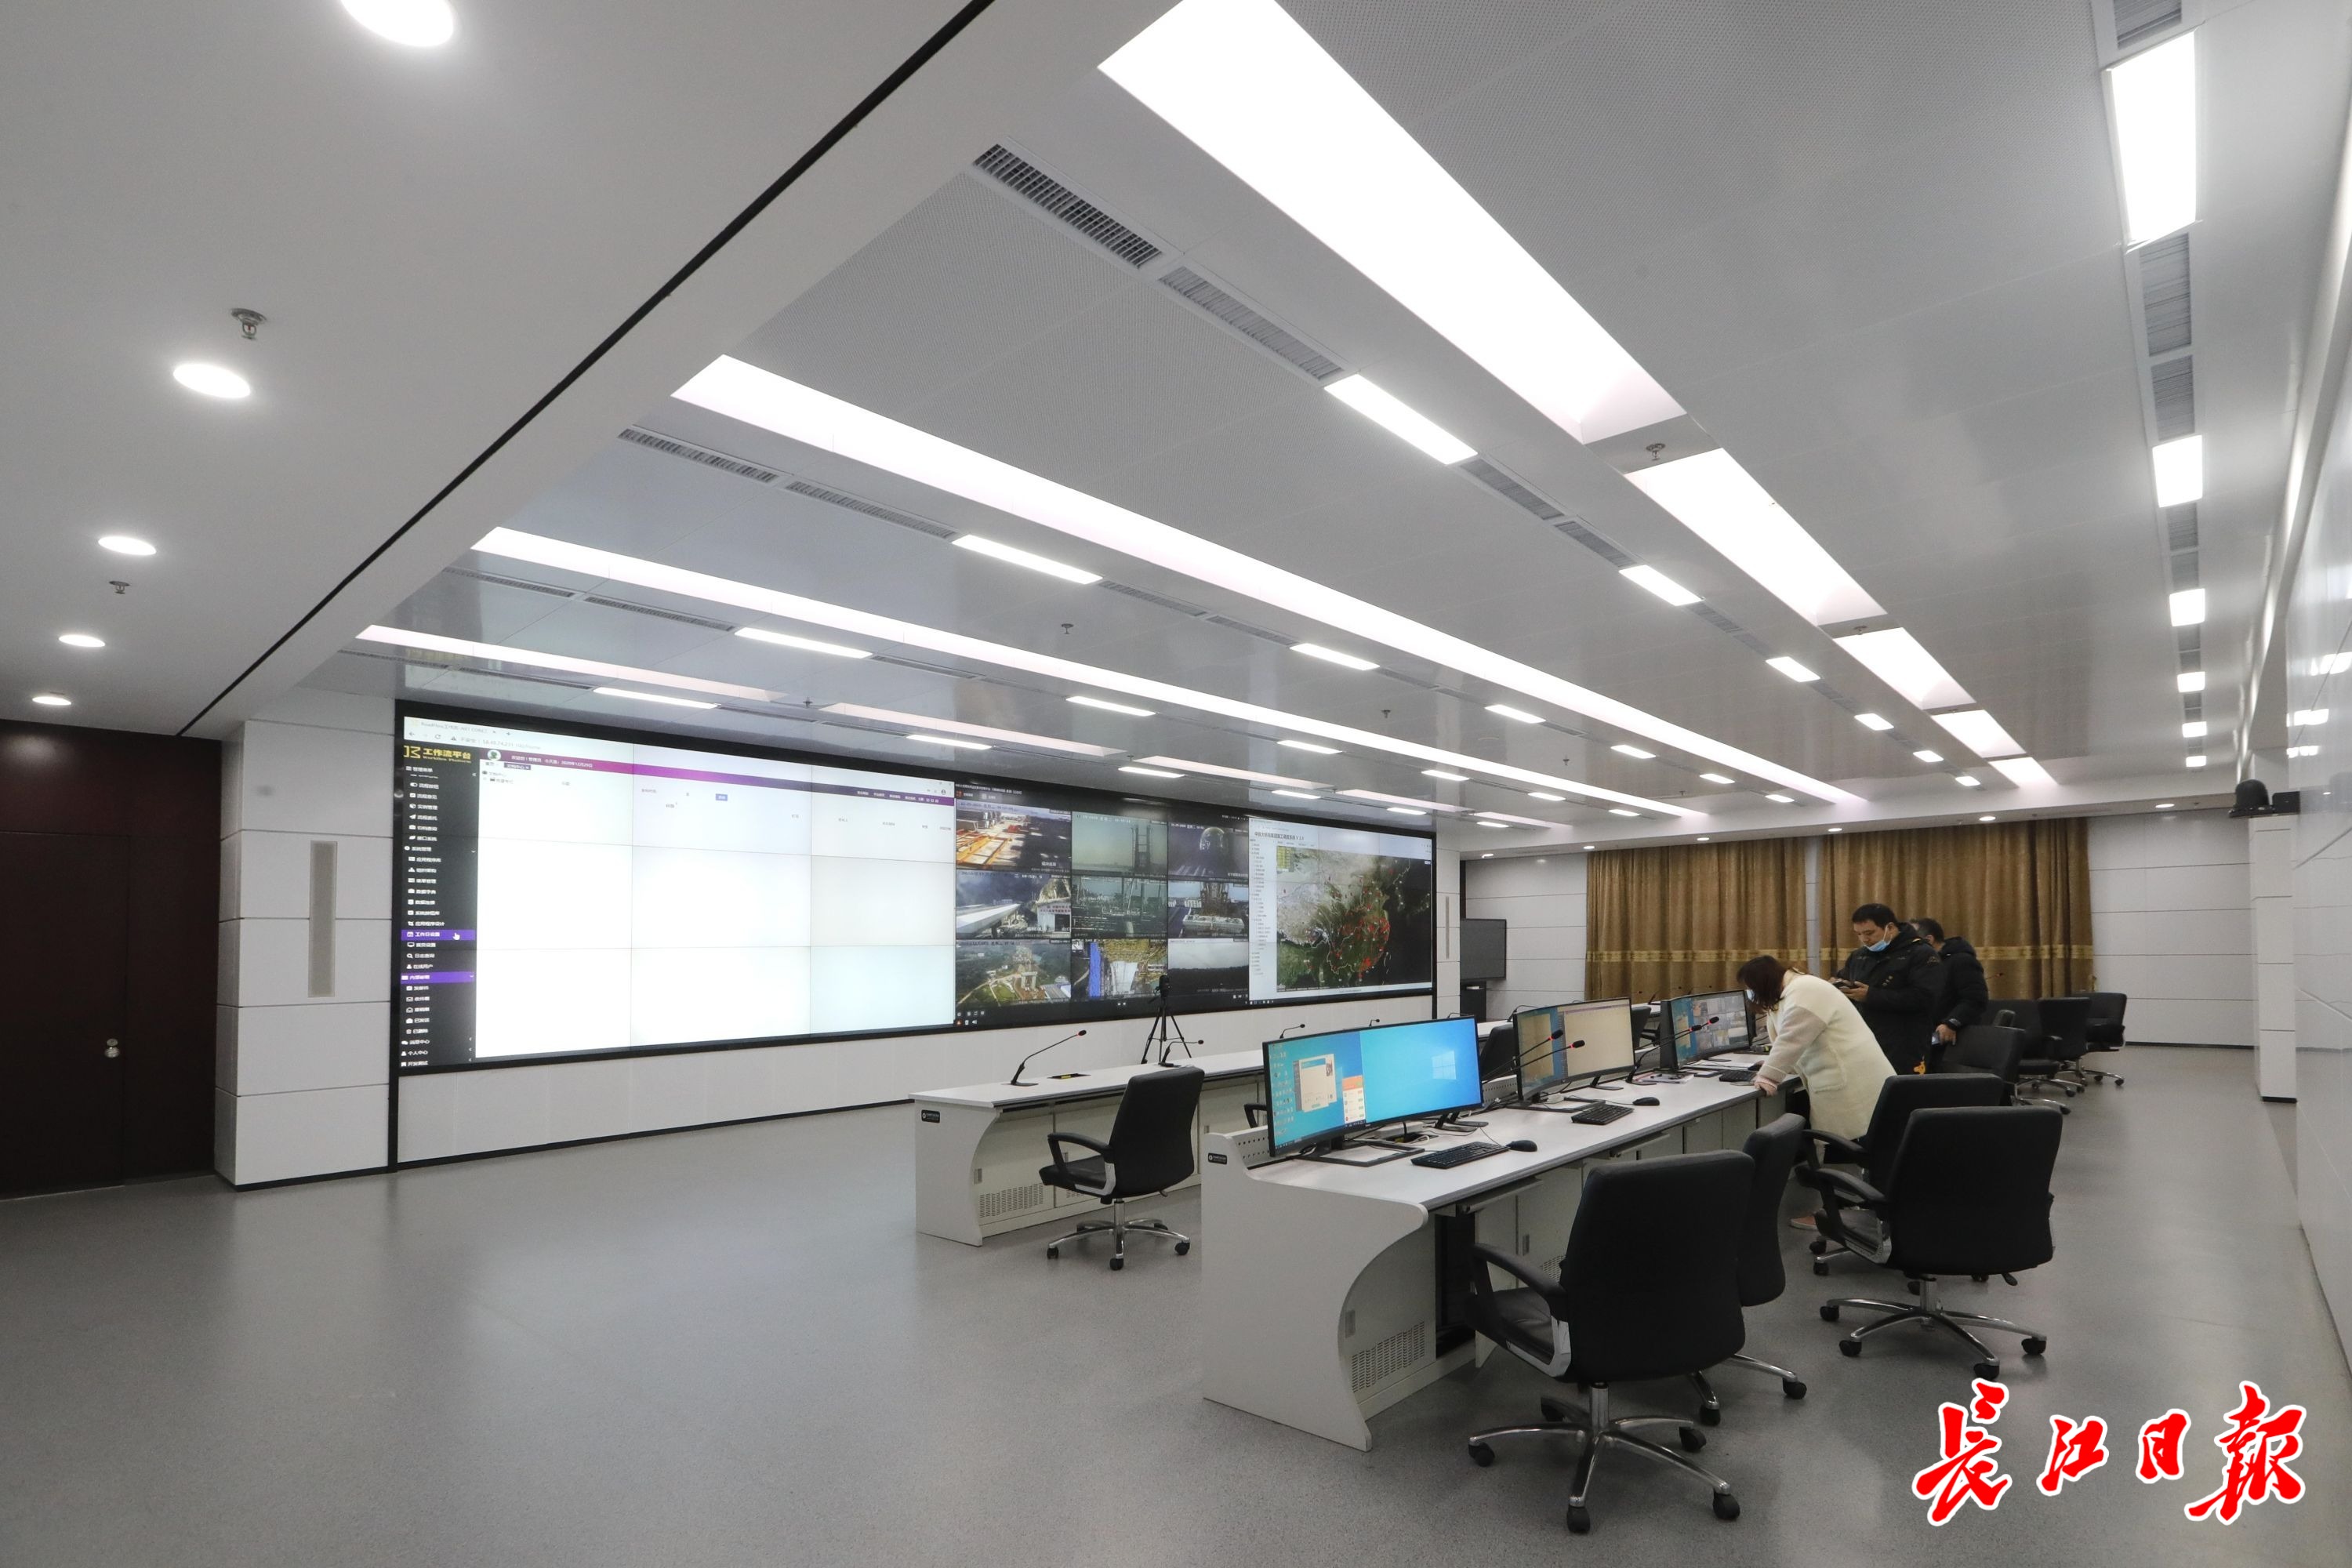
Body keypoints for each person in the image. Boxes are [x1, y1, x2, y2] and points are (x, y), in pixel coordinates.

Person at [1737, 954, 1896, 1142]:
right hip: (1845, 1073)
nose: (1752, 995)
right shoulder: (1790, 991)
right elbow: (1789, 1039)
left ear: (1763, 984)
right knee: (1851, 1143)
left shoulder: (1805, 989)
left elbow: (1792, 1038)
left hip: (1853, 1079)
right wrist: (1778, 1065)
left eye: (1752, 989)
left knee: (1855, 1142)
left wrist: (1769, 1075)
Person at [1835, 903, 1941, 1073]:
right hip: (1866, 1039)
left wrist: (1871, 995)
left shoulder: (1921, 953)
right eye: (1859, 934)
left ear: (1890, 928)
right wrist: (1839, 986)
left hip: (1906, 1042)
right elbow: (1845, 978)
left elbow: (1924, 997)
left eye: (1869, 933)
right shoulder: (1859, 956)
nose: (1864, 939)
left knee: (1903, 1088)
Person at [1911, 917, 1987, 1070]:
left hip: (1949, 1040)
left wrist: (1951, 1023)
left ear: (1929, 940)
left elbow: (1975, 999)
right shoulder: (1922, 964)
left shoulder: (1961, 961)